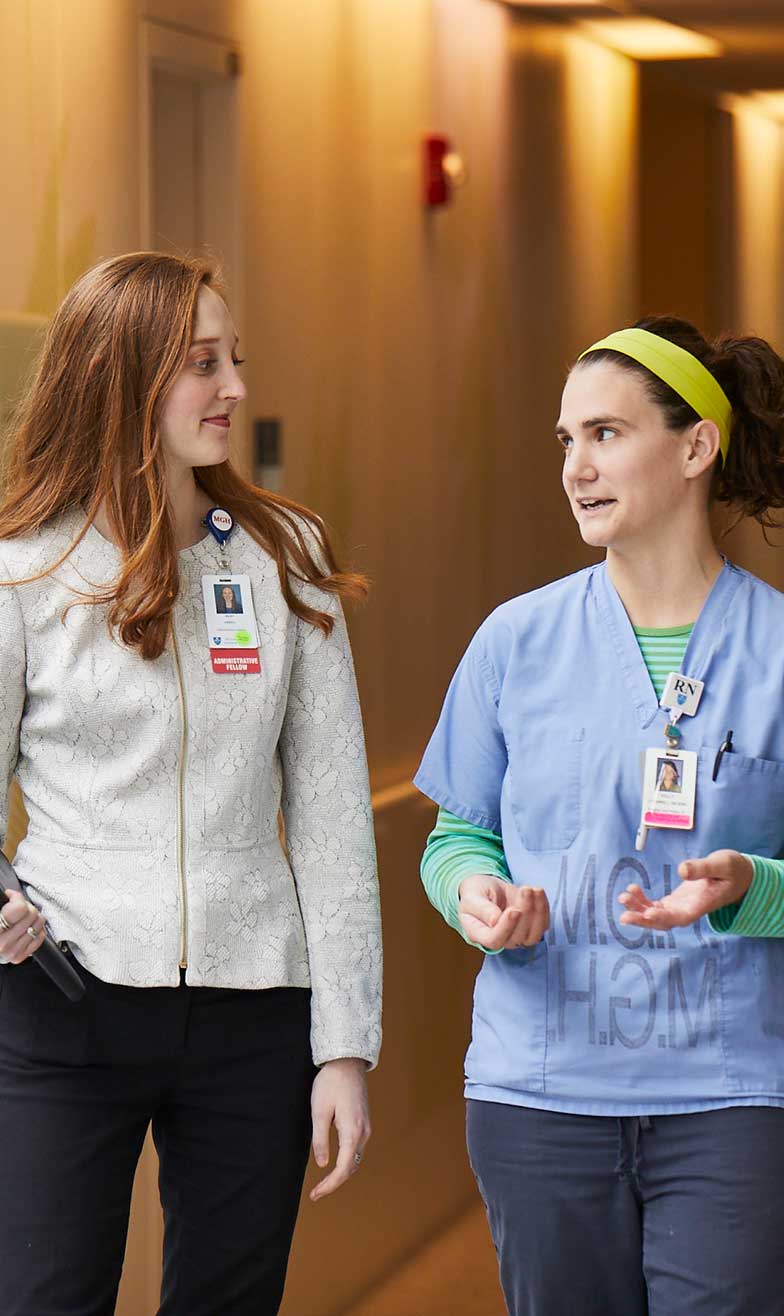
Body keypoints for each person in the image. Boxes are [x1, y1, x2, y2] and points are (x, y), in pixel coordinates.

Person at [0, 251, 382, 1316]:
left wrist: (344, 1044)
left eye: (235, 359)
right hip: (64, 1001)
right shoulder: (24, 570)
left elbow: (332, 815)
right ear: (124, 378)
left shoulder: (283, 555)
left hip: (254, 1008)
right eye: (203, 363)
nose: (236, 389)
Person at [414, 316, 784, 1316]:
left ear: (693, 446)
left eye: (603, 433)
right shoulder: (514, 640)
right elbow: (458, 832)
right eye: (564, 440)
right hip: (537, 1088)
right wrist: (474, 894)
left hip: (731, 1090)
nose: (575, 467)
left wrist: (753, 887)